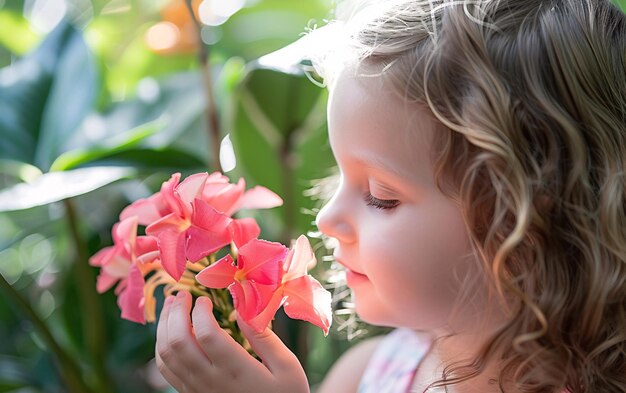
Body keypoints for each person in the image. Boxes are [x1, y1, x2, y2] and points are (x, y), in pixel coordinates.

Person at [154, 0, 626, 392]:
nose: (326, 219)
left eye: (381, 196)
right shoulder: (364, 376)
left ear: (524, 219)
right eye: (338, 176)